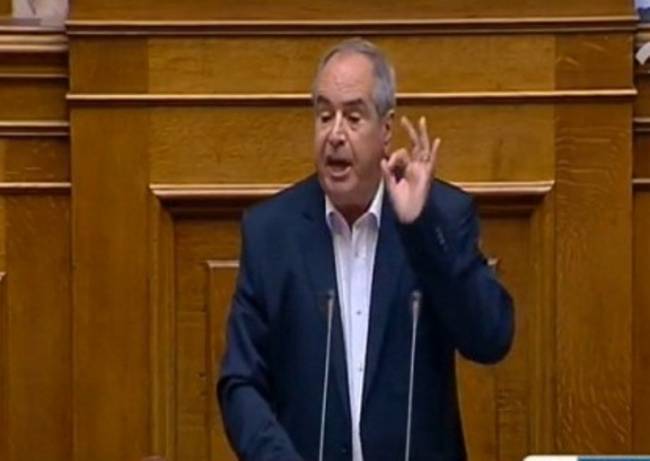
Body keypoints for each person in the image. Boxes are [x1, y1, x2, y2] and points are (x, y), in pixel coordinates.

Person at [217, 38, 514, 461]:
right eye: (324, 116)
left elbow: (490, 338)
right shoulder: (272, 234)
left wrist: (421, 228)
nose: (335, 135)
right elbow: (240, 383)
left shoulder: (439, 217)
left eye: (353, 117)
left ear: (386, 130)